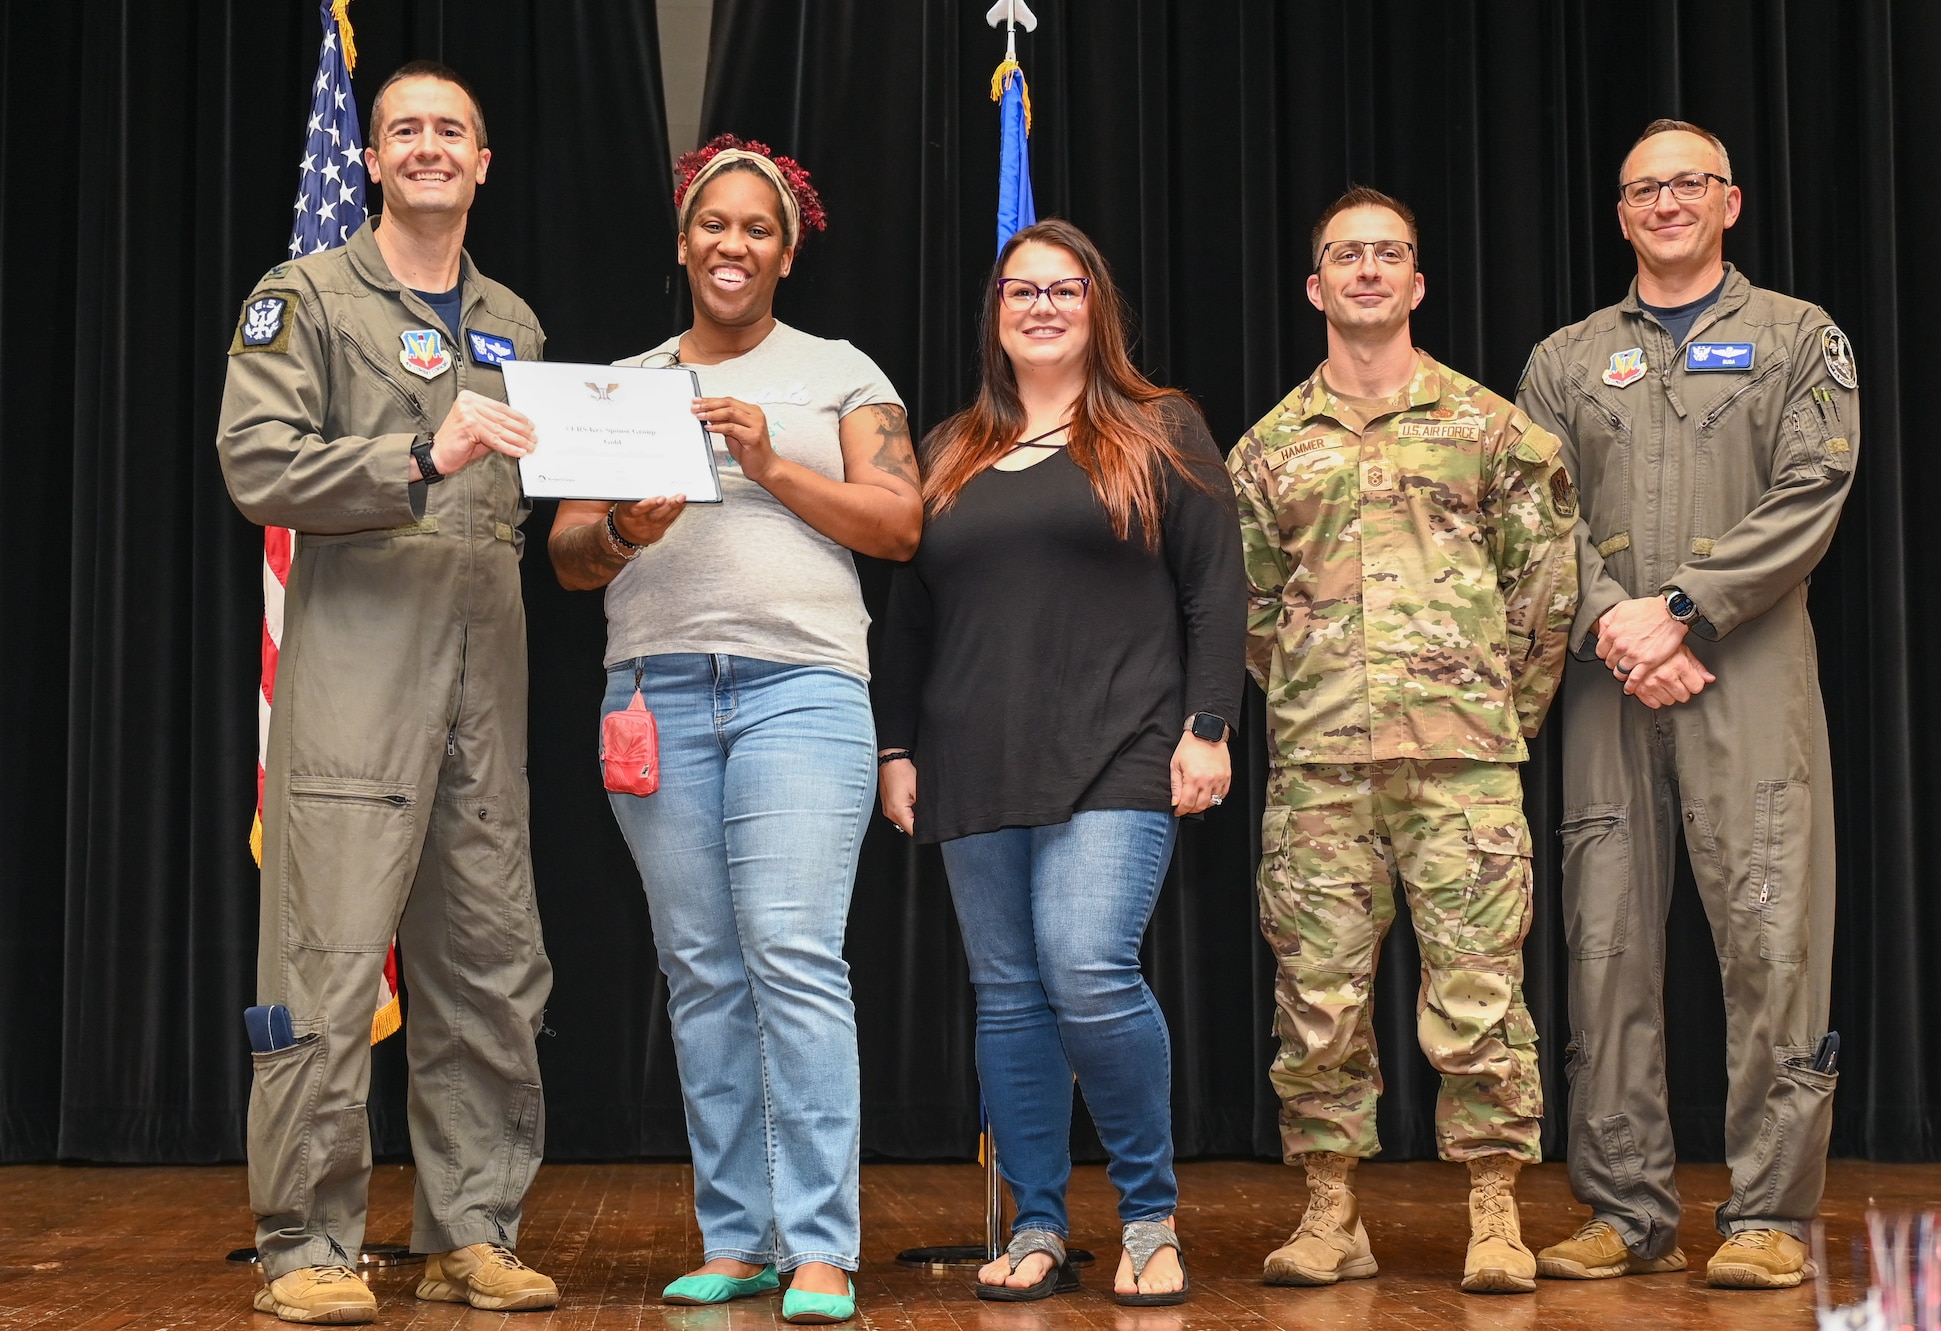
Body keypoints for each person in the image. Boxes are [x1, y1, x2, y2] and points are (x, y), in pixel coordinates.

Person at [546, 136, 920, 1326]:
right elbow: (564, 554)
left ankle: (820, 1244)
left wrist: (768, 461)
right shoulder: (617, 383)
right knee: (701, 969)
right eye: (714, 224)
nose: (732, 244)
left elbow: (900, 523)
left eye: (758, 228)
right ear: (682, 239)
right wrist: (625, 534)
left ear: (785, 252)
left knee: (793, 955)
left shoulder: (840, 373)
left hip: (798, 689)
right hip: (652, 695)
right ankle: (737, 1235)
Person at [216, 62, 560, 1324]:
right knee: (325, 959)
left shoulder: (514, 323)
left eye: (450, 132)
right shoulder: (301, 296)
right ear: (368, 160)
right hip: (356, 683)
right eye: (403, 130)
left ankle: (473, 1227)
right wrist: (423, 447)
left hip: (486, 688)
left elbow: (535, 494)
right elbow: (257, 461)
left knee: (488, 962)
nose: (426, 148)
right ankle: (303, 1238)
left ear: (483, 163)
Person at [874, 218, 1240, 1308]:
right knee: (1009, 995)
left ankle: (1147, 1215)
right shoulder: (947, 449)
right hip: (969, 755)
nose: (1040, 305)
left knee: (1085, 966)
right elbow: (907, 617)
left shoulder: (1157, 427)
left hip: (1121, 742)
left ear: (1097, 309)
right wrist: (895, 745)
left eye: (1063, 289)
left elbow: (1215, 587)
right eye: (1018, 289)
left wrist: (1207, 725)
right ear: (994, 314)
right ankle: (1036, 1221)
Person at [1518, 119, 1857, 1291]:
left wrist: (1683, 607)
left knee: (1769, 935)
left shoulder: (1796, 337)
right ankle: (1623, 1206)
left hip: (1747, 670)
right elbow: (1536, 517)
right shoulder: (1564, 359)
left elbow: (1813, 488)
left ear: (1730, 202)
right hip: (1608, 673)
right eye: (1641, 189)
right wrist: (1619, 619)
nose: (1664, 202)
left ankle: (1764, 1210)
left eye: (1686, 184)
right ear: (1618, 215)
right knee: (1603, 942)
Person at [1232, 187, 1579, 1295]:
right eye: (1346, 255)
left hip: (1462, 762)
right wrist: (1317, 702)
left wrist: (1485, 712)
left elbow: (1545, 594)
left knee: (1477, 991)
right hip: (1320, 768)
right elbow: (1247, 609)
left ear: (1417, 282)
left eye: (1388, 255)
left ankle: (1492, 1207)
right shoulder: (1267, 451)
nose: (1368, 271)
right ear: (1315, 284)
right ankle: (1331, 1210)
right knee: (1317, 997)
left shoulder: (1493, 430)